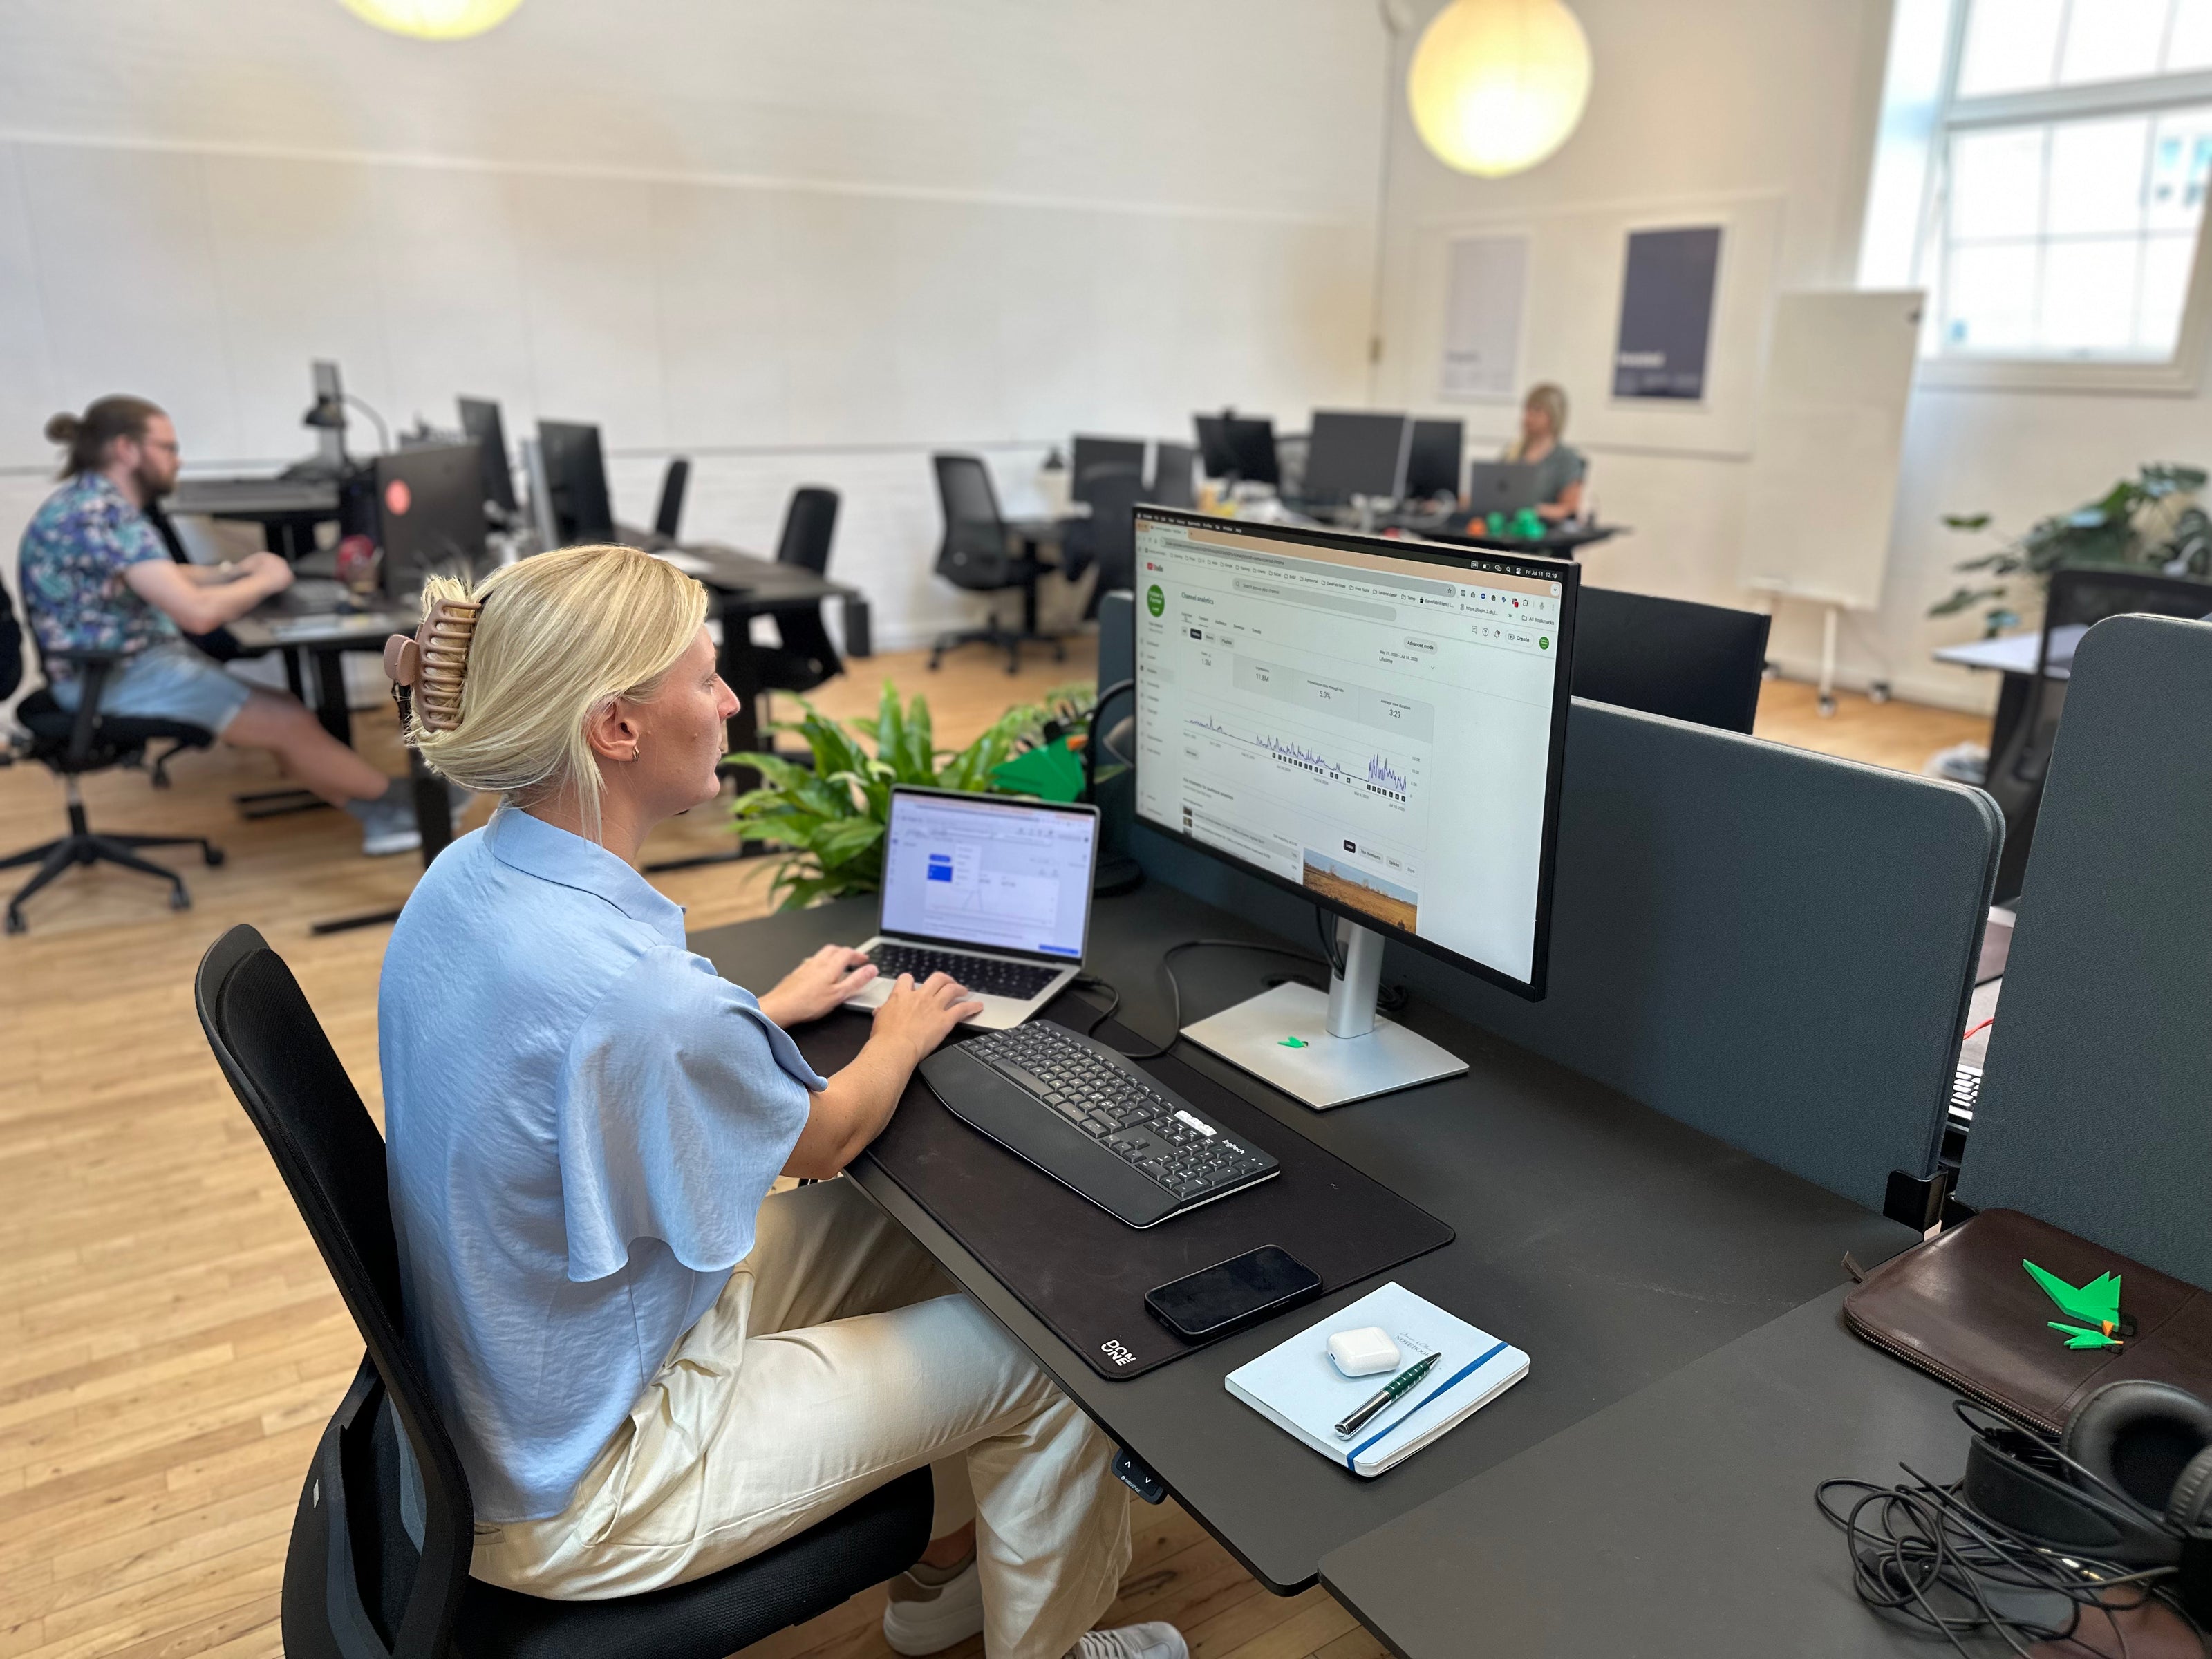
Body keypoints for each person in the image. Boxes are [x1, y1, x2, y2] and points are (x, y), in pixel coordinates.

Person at [377, 542, 1183, 1659]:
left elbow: (572, 1055)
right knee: (1058, 1358)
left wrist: (754, 1015)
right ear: (616, 728)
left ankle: (944, 1585)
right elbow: (830, 1136)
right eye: (705, 678)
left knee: (963, 1258)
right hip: (592, 1483)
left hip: (528, 1383)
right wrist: (899, 1032)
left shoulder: (464, 878)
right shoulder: (646, 1001)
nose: (730, 702)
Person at [17, 397, 444, 856]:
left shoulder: (84, 503)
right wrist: (265, 581)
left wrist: (232, 571)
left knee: (284, 713)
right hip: (115, 677)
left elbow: (158, 575)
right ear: (126, 449)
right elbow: (197, 615)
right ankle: (412, 808)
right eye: (167, 448)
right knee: (286, 722)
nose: (177, 460)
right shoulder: (105, 515)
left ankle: (381, 816)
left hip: (108, 669)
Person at [1501, 382, 1586, 523]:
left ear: (1554, 415)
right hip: (1508, 526)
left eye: (1537, 410)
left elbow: (1570, 509)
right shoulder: (1513, 452)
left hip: (1543, 529)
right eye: (1527, 410)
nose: (1528, 417)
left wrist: (1534, 510)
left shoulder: (1566, 459)